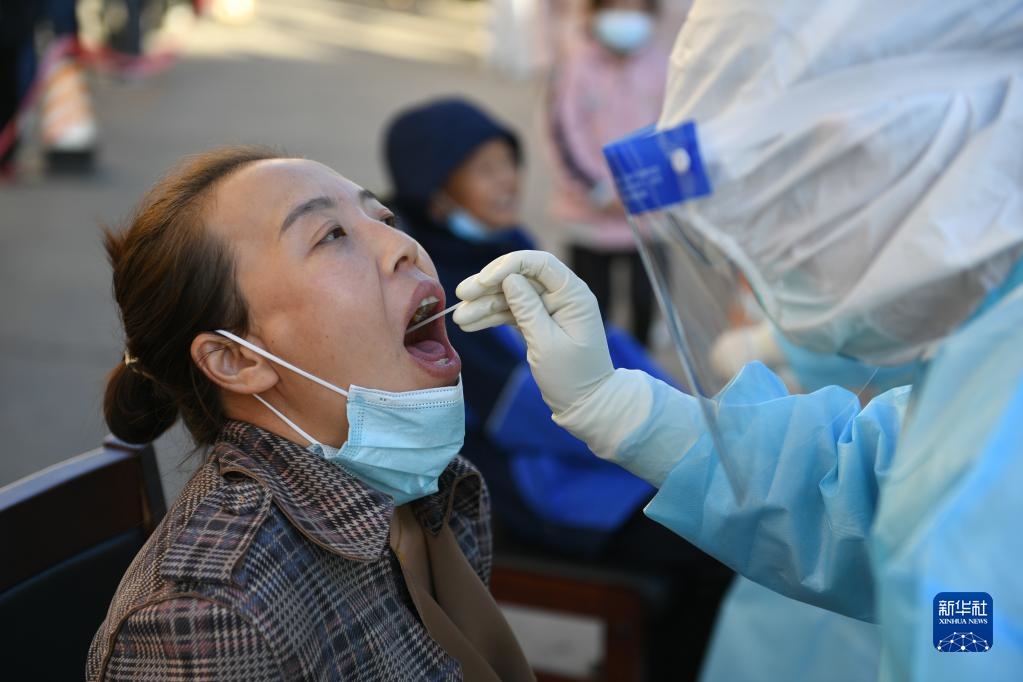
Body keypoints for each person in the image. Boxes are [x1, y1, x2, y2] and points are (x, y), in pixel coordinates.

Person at [451, 0, 1023, 679]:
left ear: (924, 136)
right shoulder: (986, 362)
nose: (781, 253)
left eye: (799, 194)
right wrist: (619, 406)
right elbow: (863, 498)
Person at [87, 146, 534, 681]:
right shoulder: (209, 615)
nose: (404, 247)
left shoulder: (439, 488)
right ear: (236, 359)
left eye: (383, 218)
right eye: (332, 235)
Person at [384, 97, 732, 678]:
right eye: (485, 169)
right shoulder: (440, 292)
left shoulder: (506, 245)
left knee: (717, 507)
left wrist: (680, 414)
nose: (508, 181)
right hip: (534, 483)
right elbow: (530, 415)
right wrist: (655, 433)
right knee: (714, 532)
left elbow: (603, 347)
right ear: (436, 191)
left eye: (510, 163)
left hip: (587, 449)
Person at [545, 0, 668, 345]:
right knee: (591, 310)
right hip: (589, 217)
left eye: (636, 8)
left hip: (647, 217)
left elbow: (670, 132)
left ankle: (641, 368)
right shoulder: (573, 66)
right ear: (595, 12)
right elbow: (563, 134)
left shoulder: (662, 66)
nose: (627, 16)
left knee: (645, 304)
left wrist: (649, 188)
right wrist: (598, 191)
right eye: (617, 6)